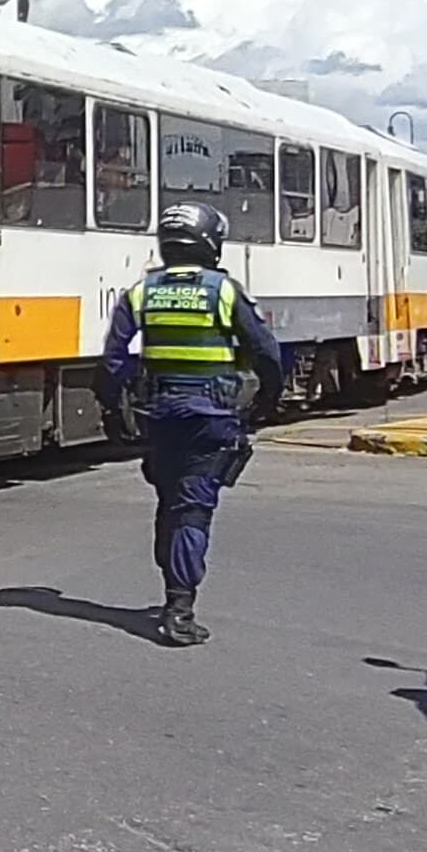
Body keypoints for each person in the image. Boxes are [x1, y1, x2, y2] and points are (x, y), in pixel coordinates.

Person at [99, 203, 285, 649]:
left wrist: (112, 411)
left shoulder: (141, 292)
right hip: (211, 418)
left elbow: (112, 360)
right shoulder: (224, 291)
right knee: (192, 508)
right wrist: (268, 399)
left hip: (160, 417)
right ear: (210, 242)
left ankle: (172, 594)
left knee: (169, 504)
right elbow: (266, 353)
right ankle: (179, 611)